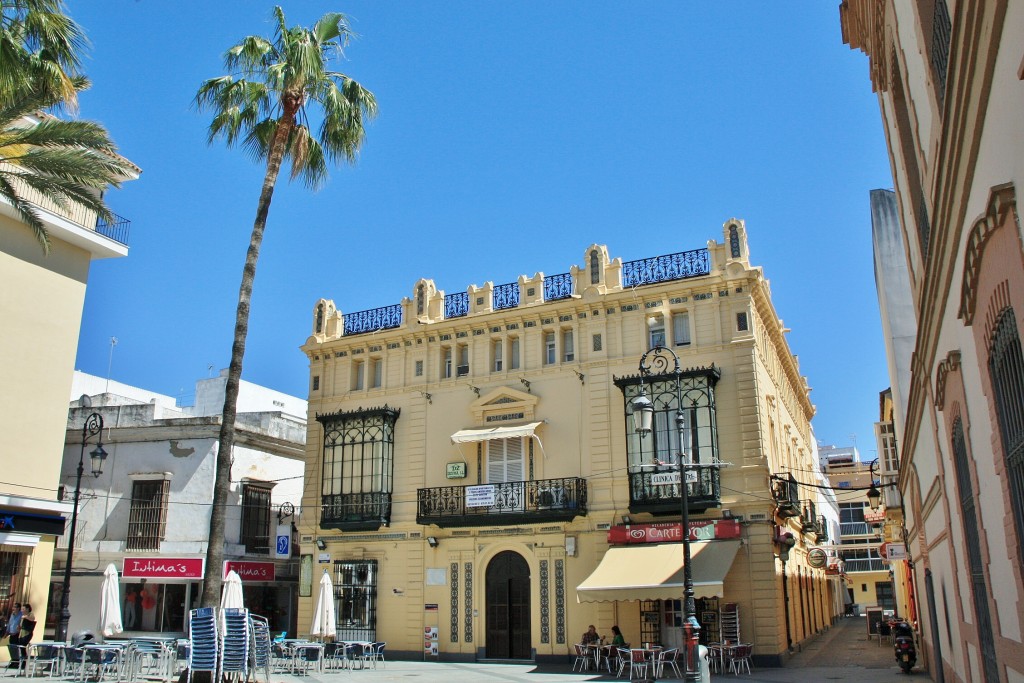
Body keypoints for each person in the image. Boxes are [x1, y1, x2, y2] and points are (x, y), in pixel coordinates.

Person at [5, 603, 21, 668]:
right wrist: (7, 632)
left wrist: (18, 631)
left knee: (15, 649)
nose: (13, 608)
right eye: (13, 607)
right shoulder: (12, 614)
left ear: (18, 608)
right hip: (11, 633)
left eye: (15, 607)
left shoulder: (21, 615)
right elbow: (9, 623)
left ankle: (16, 662)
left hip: (17, 634)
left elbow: (20, 625)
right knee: (11, 648)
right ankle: (13, 661)